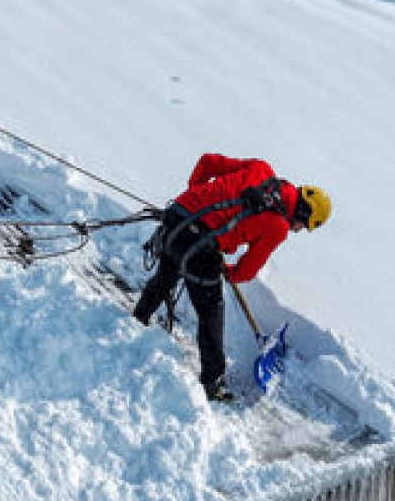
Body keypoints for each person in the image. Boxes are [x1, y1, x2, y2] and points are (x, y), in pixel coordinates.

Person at [133, 154, 331, 402]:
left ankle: (138, 317)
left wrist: (195, 196)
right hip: (198, 244)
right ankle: (212, 382)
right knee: (211, 312)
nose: (297, 229)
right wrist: (228, 271)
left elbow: (207, 162)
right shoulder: (277, 226)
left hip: (175, 218)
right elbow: (246, 272)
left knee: (168, 273)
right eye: (303, 225)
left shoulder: (261, 168)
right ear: (302, 211)